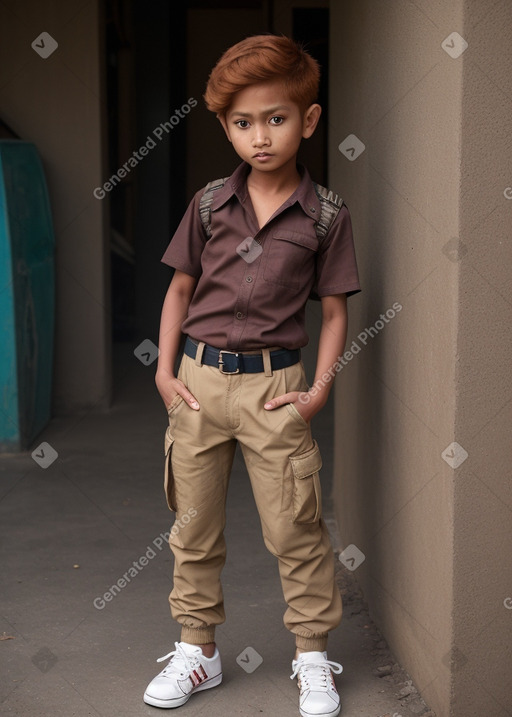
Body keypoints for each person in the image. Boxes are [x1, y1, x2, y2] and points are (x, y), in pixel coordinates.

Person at [143, 34, 361, 717]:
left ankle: (312, 656)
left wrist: (318, 391)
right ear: (224, 127)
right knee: (193, 525)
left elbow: (331, 314)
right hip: (199, 383)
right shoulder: (210, 204)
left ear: (310, 120)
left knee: (297, 527)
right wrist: (164, 373)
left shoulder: (325, 215)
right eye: (243, 123)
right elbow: (179, 290)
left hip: (276, 389)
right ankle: (198, 651)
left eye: (276, 118)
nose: (260, 136)